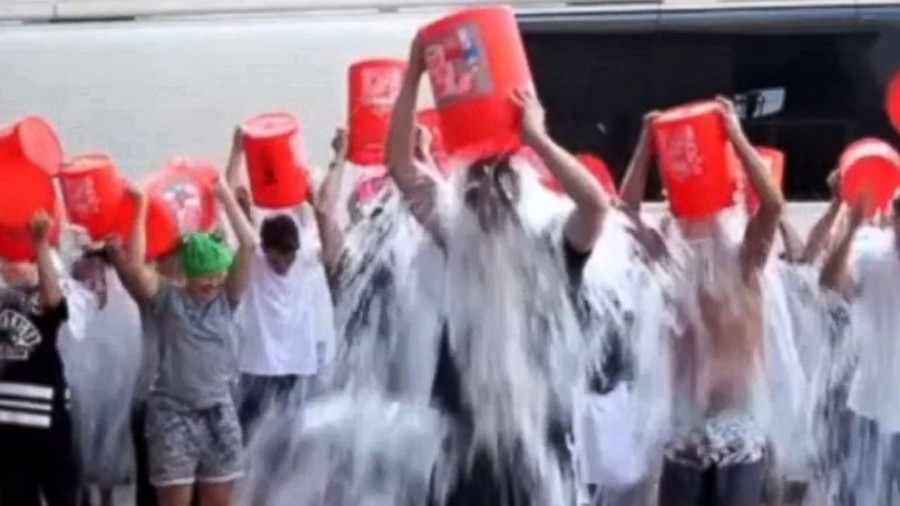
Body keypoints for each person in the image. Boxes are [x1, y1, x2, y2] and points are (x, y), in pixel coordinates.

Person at [386, 34, 610, 506]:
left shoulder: (554, 248)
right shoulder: (459, 241)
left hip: (535, 434)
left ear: (517, 197)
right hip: (460, 434)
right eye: (474, 191)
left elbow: (595, 203)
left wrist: (536, 139)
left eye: (497, 189)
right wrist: (412, 73)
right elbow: (400, 167)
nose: (484, 199)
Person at [657, 97, 785, 506]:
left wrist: (734, 134)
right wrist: (648, 144)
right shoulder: (673, 261)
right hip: (685, 425)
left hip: (737, 426)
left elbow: (773, 205)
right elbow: (623, 215)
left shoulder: (744, 260)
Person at [117, 178, 256, 506]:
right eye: (206, 275)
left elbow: (249, 245)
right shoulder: (167, 299)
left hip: (218, 411)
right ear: (188, 273)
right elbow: (136, 267)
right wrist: (140, 207)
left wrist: (223, 196)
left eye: (218, 273)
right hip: (172, 414)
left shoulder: (227, 299)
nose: (213, 282)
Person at [224, 129, 335, 438]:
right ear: (265, 249)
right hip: (257, 366)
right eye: (276, 257)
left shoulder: (306, 258)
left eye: (287, 257)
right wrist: (237, 152)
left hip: (297, 366)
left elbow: (325, 214)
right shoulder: (254, 259)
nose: (282, 264)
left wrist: (337, 160)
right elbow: (229, 197)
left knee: (293, 440)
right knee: (249, 437)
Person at [820, 190, 900, 505]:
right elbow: (829, 282)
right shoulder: (870, 255)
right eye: (897, 207)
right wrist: (851, 229)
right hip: (867, 409)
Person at [0, 211, 78, 506]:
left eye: (25, 260)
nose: (16, 266)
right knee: (17, 496)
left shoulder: (44, 294)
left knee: (61, 493)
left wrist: (40, 244)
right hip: (6, 417)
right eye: (9, 258)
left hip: (46, 412)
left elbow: (53, 301)